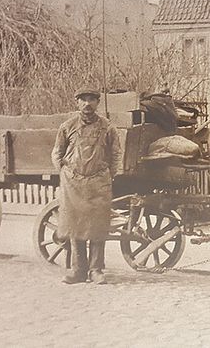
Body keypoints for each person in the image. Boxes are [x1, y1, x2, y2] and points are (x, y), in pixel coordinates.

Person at [51, 88, 122, 285]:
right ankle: (78, 271)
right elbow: (57, 154)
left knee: (97, 228)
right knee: (76, 227)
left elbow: (116, 154)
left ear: (97, 103)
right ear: (77, 103)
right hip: (73, 184)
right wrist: (66, 174)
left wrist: (107, 175)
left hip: (98, 183)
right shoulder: (67, 127)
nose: (87, 104)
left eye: (91, 100)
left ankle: (96, 270)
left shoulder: (108, 127)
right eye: (83, 100)